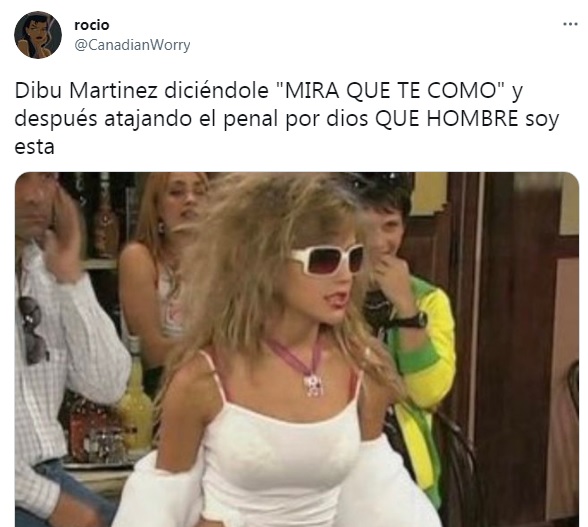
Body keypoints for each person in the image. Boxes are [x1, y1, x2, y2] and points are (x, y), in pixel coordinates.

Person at [113, 172, 441, 527]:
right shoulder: (204, 378)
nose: (345, 275)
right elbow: (162, 502)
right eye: (324, 259)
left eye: (354, 257)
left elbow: (375, 498)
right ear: (268, 264)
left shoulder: (362, 369)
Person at [15, 172, 132, 527]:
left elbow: (108, 385)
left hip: (50, 475)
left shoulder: (44, 271)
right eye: (19, 177)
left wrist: (71, 277)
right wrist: (53, 504)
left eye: (46, 177)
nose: (36, 196)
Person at [348, 172, 456, 508]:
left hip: (408, 473)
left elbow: (428, 392)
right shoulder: (326, 295)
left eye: (390, 226)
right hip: (336, 464)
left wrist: (407, 310)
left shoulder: (430, 300)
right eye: (366, 227)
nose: (379, 242)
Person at [118, 172, 208, 399]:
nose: (190, 199)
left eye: (199, 192)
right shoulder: (138, 258)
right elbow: (152, 353)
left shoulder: (221, 263)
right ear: (156, 207)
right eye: (177, 192)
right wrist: (221, 349)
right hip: (158, 394)